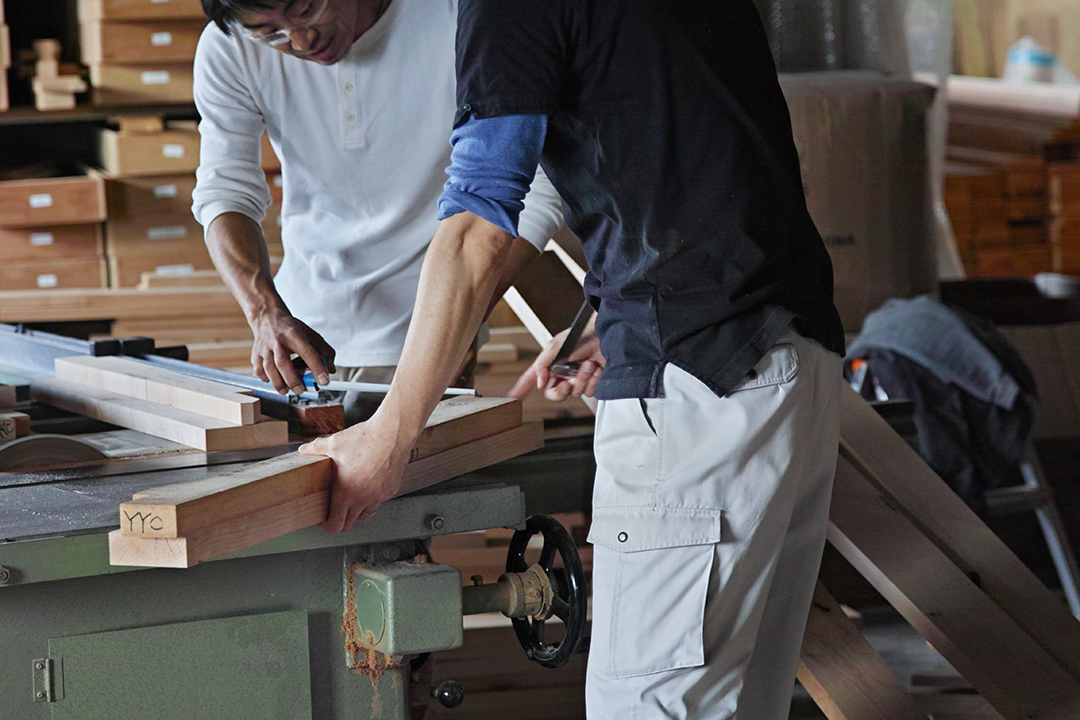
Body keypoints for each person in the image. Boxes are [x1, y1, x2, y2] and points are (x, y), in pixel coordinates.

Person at [299, 0, 847, 717]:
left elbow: (477, 230)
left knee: (647, 705)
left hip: (698, 387)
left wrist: (389, 437)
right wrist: (615, 316)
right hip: (790, 355)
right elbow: (671, 151)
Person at [191, 0, 564, 423]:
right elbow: (225, 190)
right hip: (305, 332)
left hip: (427, 331)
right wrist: (264, 313)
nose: (301, 40)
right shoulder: (229, 46)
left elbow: (541, 184)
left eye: (307, 9)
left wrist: (459, 317)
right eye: (269, 33)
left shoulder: (457, 15)